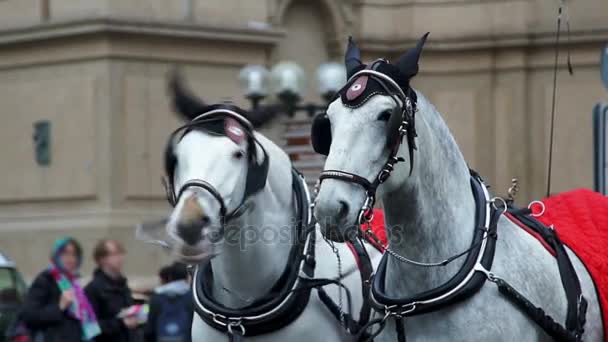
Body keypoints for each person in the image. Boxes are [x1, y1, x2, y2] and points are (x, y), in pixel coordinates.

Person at [20, 237, 101, 342]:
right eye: (65, 254)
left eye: (74, 254)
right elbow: (29, 316)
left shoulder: (75, 283)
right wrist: (59, 306)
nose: (70, 259)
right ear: (56, 256)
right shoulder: (46, 280)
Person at [85, 239, 137, 342]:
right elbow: (90, 328)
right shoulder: (93, 289)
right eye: (114, 254)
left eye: (121, 253)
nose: (120, 258)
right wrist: (121, 323)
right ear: (101, 259)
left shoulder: (123, 286)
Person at [145, 263, 193, 342]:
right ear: (187, 277)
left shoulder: (156, 297)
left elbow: (150, 328)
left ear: (170, 277)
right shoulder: (191, 297)